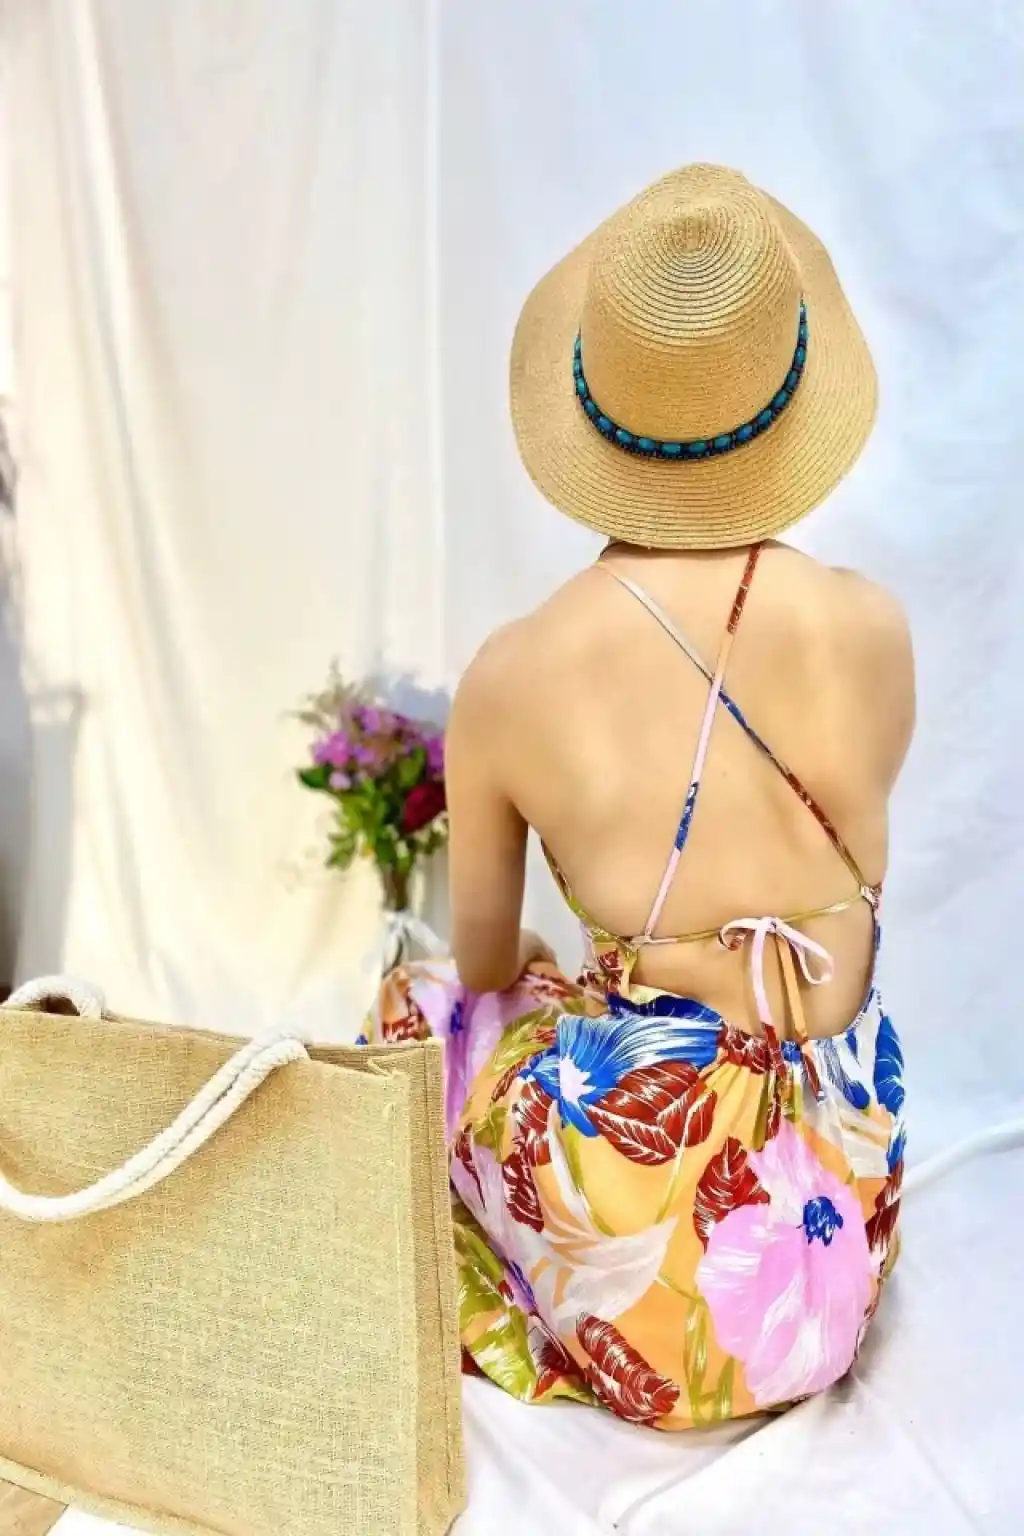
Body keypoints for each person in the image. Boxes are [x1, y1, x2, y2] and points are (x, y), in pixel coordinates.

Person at [366, 164, 913, 1428]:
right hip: (826, 1252)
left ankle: (554, 1280)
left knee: (426, 1002)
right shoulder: (874, 631)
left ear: (593, 414)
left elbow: (488, 962)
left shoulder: (513, 676)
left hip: (653, 1303)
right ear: (788, 401)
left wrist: (558, 959)